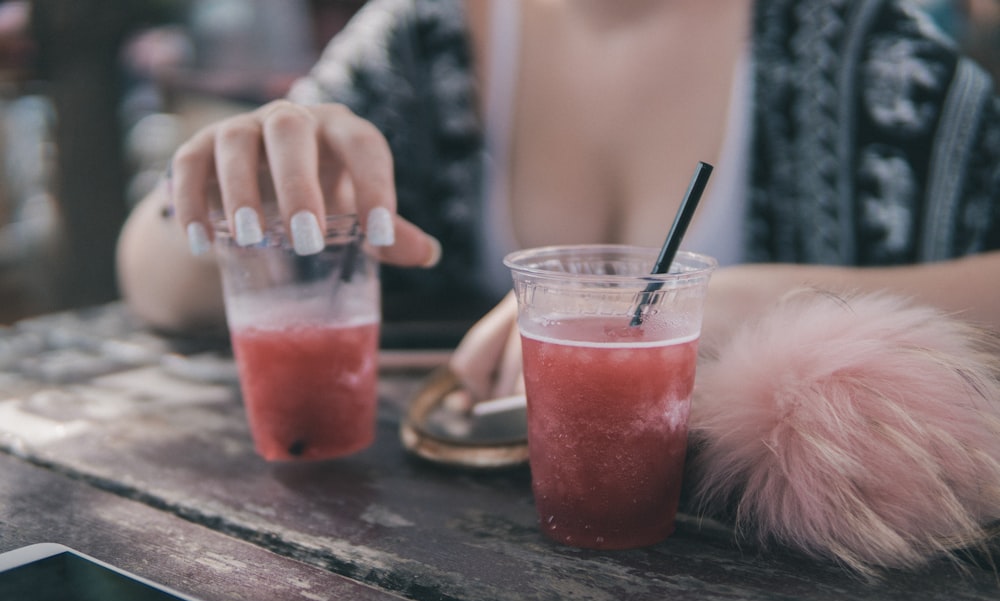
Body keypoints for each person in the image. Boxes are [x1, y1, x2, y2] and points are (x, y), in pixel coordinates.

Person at [116, 0, 1000, 404]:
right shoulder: (422, 41)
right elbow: (158, 282)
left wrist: (775, 306)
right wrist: (240, 189)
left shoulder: (877, 64)